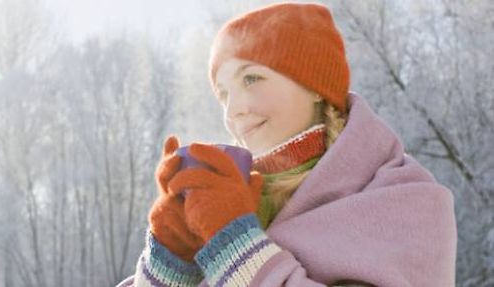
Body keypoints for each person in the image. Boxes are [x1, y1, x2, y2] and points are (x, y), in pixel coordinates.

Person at [117, 2, 457, 286]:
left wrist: (236, 248)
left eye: (251, 78)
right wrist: (169, 263)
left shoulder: (409, 203)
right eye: (223, 94)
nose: (233, 110)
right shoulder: (232, 200)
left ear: (314, 86)